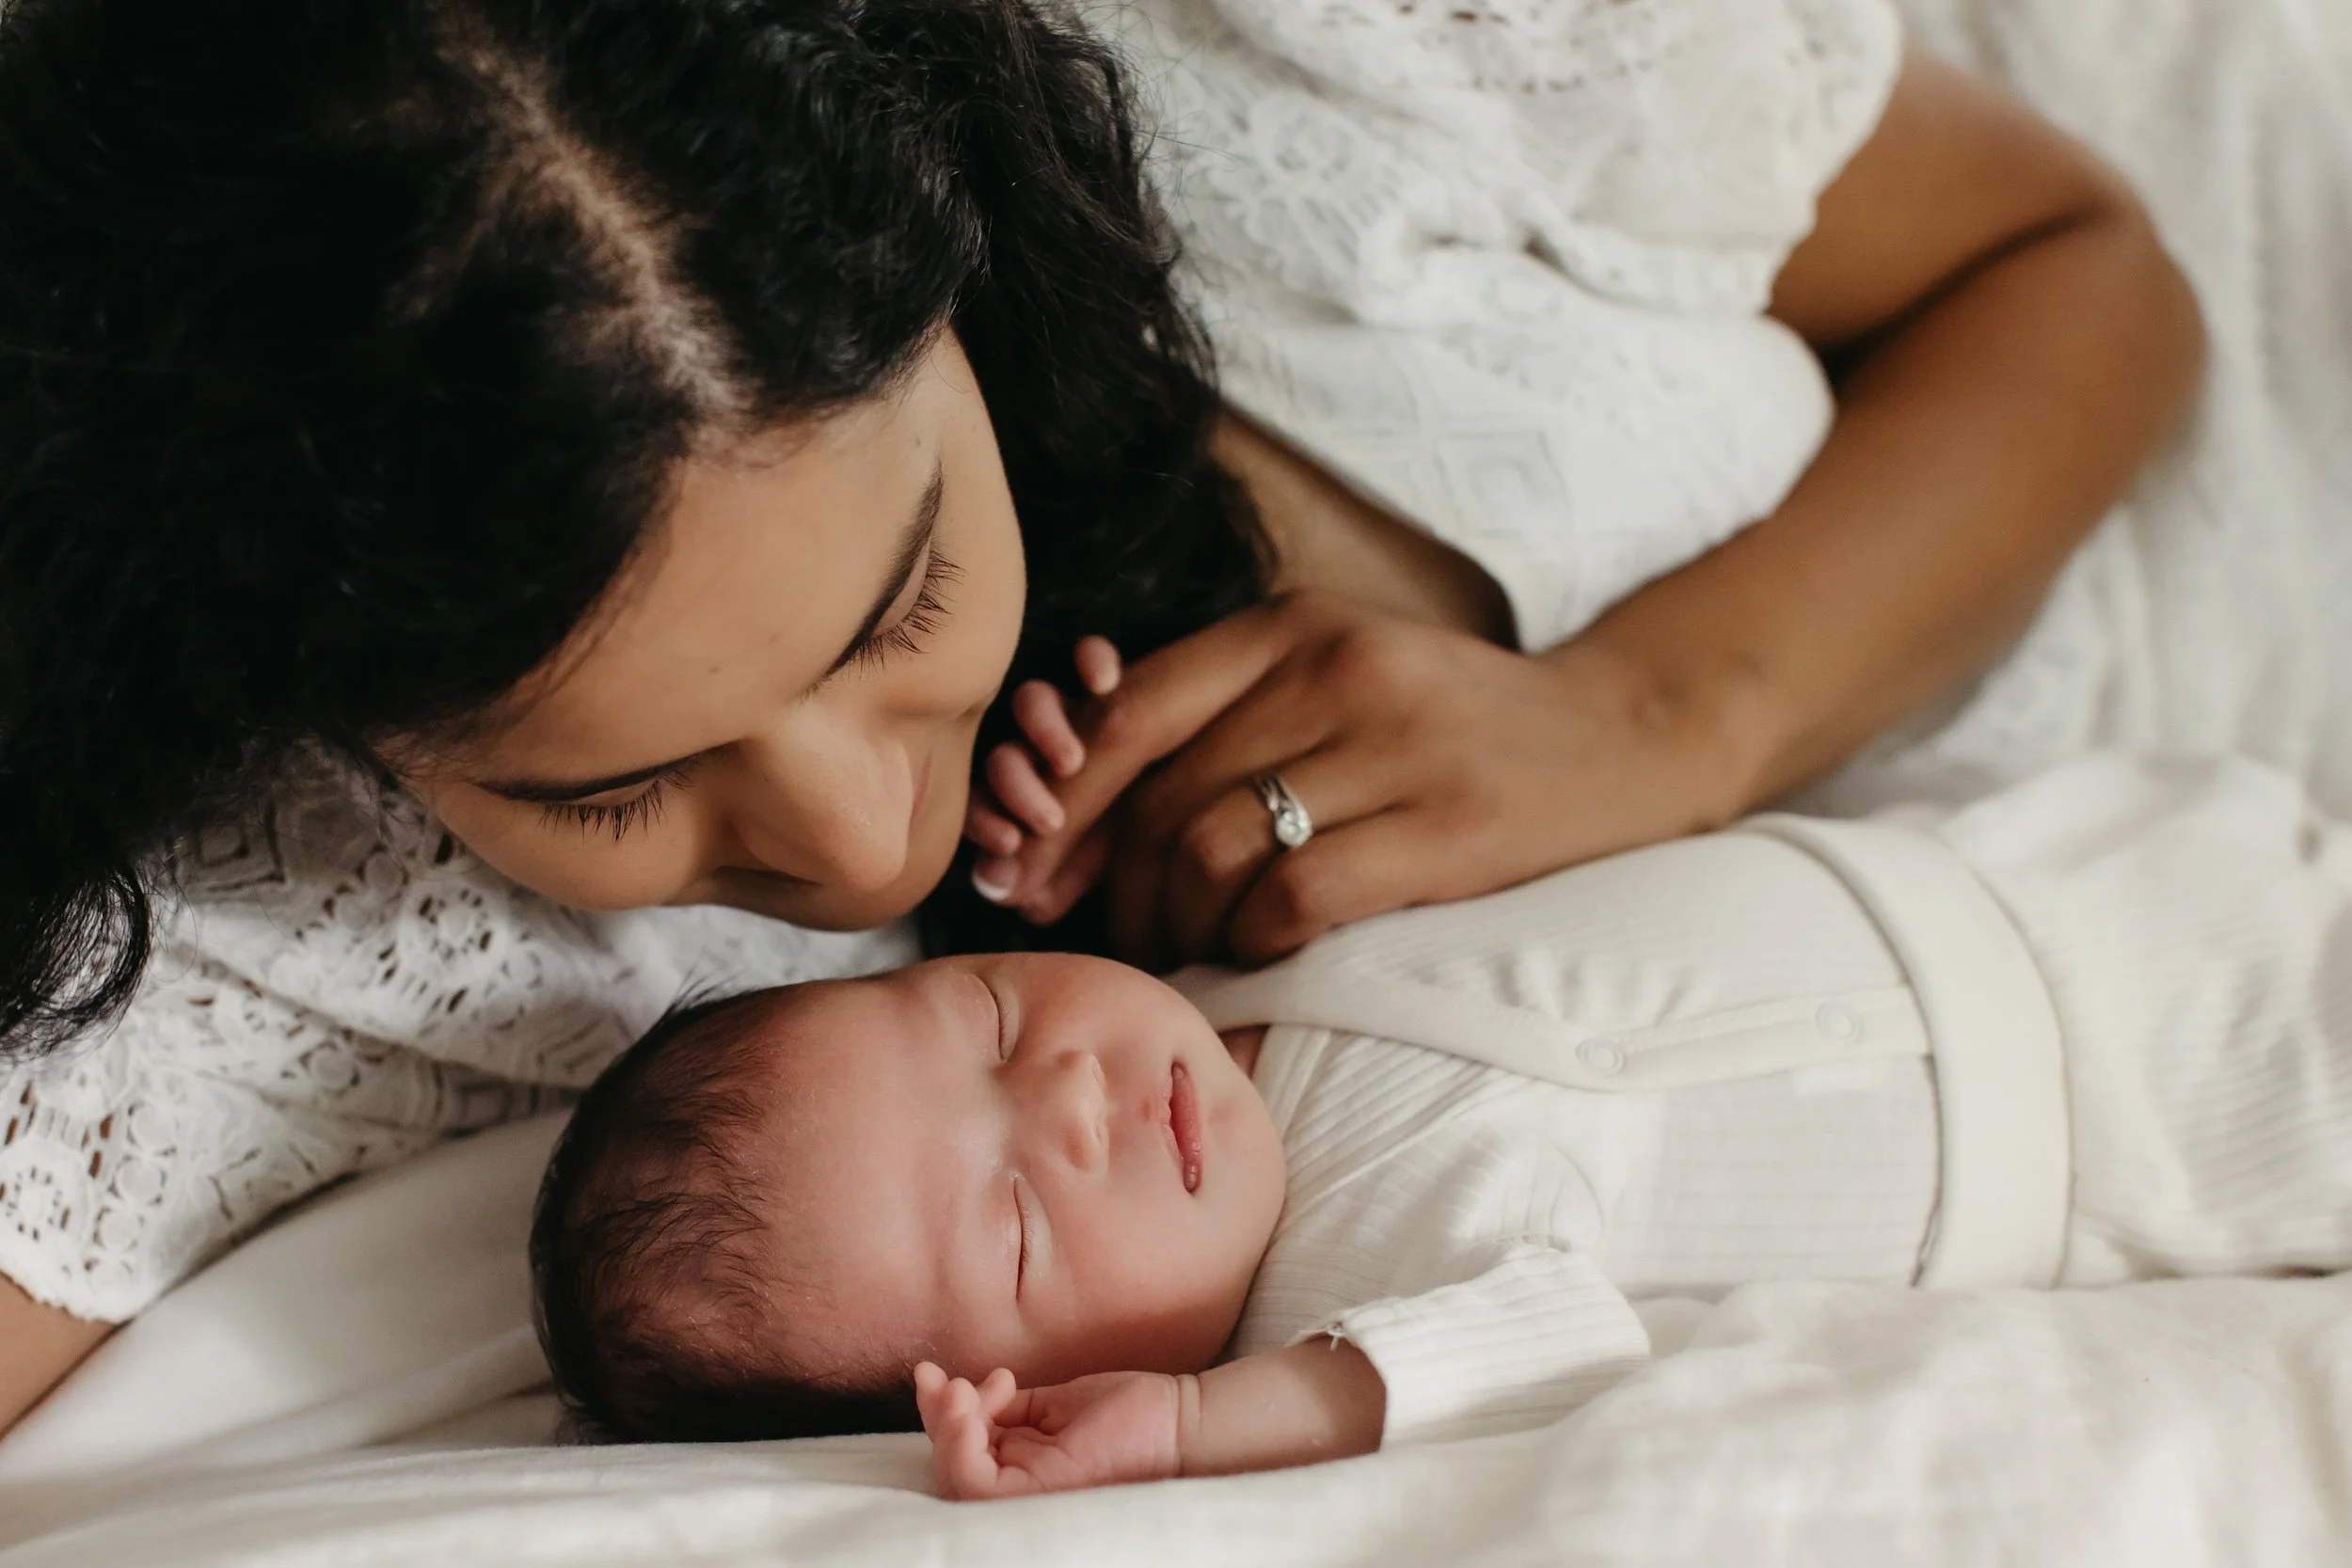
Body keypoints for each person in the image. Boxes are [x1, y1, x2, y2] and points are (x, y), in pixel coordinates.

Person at [0, 0, 2202, 1434]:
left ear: (971, 242)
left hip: (2186, 853)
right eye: (613, 785)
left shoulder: (1359, 58)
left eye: (903, 597)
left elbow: (2079, 268)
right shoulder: (299, 908)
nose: (860, 843)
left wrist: (1650, 715)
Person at [531, 751, 2352, 1496]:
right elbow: (1550, 1342)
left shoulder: (1210, 975)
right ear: (1027, 1386)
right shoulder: (1339, 1309)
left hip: (2071, 880)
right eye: (1015, 1221)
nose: (1073, 1091)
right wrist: (1187, 1423)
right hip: (2159, 1135)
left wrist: (1082, 823)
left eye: (995, 1016)